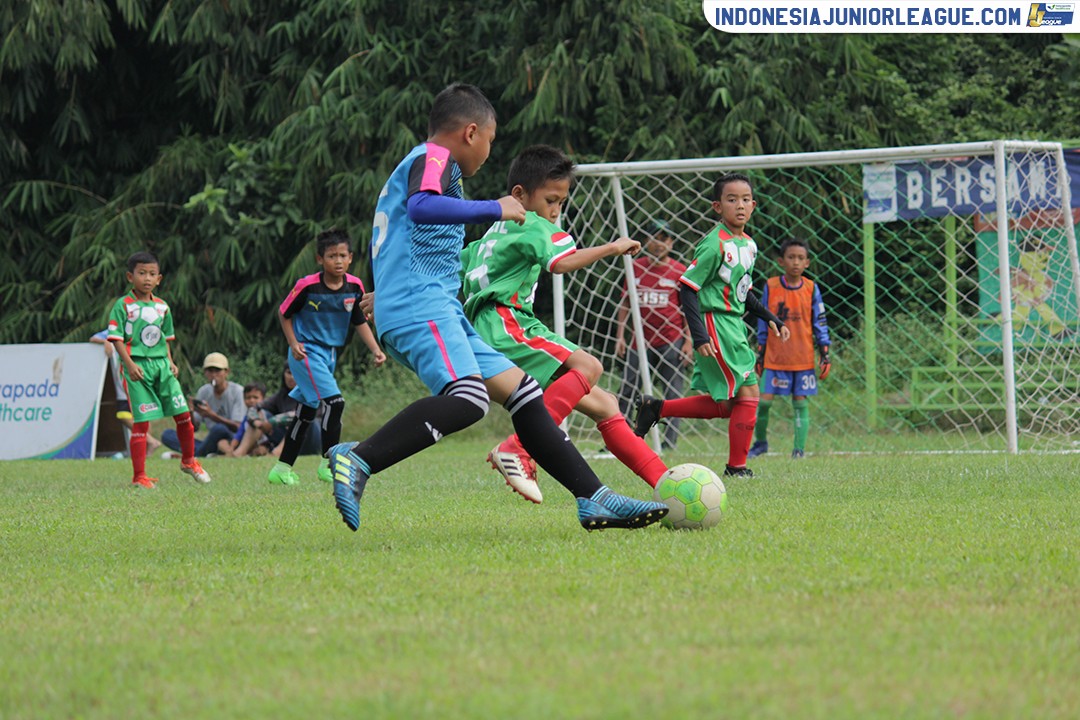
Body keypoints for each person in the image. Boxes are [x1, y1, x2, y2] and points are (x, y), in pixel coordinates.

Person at [327, 82, 667, 533]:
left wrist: (382, 292)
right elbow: (422, 206)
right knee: (467, 400)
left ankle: (594, 498)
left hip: (433, 304)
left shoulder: (425, 165)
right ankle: (359, 457)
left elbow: (416, 237)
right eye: (490, 139)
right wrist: (495, 207)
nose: (489, 150)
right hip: (420, 304)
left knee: (525, 394)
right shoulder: (434, 157)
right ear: (471, 132)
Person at [460, 144, 669, 504]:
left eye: (561, 202)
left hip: (481, 329)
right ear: (520, 195)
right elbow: (562, 264)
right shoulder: (533, 224)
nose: (555, 211)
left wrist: (380, 296)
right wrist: (611, 248)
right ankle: (520, 447)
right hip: (506, 321)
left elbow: (450, 271)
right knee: (589, 365)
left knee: (605, 404)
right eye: (550, 200)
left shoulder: (491, 234)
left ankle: (666, 483)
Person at [633, 172, 789, 477]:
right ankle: (737, 468)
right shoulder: (714, 244)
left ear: (754, 205)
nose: (739, 206)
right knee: (749, 394)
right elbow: (687, 288)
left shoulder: (748, 244)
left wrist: (770, 318)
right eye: (732, 200)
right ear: (717, 207)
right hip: (715, 323)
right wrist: (700, 335)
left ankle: (658, 408)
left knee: (730, 406)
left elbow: (744, 292)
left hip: (733, 324)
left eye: (745, 200)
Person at [267, 228, 387, 486]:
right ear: (320, 259)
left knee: (306, 412)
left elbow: (358, 320)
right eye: (332, 256)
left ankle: (281, 468)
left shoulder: (355, 286)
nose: (338, 261)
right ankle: (329, 463)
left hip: (328, 355)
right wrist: (293, 342)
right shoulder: (307, 286)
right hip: (305, 352)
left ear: (351, 257)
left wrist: (376, 349)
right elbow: (284, 312)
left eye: (343, 255)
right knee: (335, 403)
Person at [106, 251, 212, 487]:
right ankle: (139, 477)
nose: (147, 278)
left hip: (162, 367)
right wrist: (129, 364)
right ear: (129, 276)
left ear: (159, 279)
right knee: (142, 422)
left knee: (183, 414)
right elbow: (116, 339)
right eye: (141, 273)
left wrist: (171, 362)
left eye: (152, 274)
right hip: (138, 368)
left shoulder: (163, 307)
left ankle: (189, 461)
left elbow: (164, 338)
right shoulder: (123, 306)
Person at [748, 237, 832, 460]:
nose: (796, 262)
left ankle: (798, 450)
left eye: (800, 258)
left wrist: (825, 352)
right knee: (764, 402)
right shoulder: (771, 286)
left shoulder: (811, 289)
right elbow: (763, 319)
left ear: (807, 263)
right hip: (775, 358)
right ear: (781, 261)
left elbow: (820, 322)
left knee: (799, 403)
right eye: (791, 257)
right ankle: (761, 444)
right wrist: (761, 351)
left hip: (802, 358)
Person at [613, 219, 694, 451]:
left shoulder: (679, 271)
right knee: (628, 388)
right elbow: (626, 303)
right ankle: (620, 439)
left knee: (673, 393)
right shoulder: (635, 266)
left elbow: (687, 308)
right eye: (655, 238)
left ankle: (670, 443)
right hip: (640, 340)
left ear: (671, 242)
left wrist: (688, 340)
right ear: (647, 241)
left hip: (672, 339)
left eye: (665, 238)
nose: (660, 243)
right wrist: (620, 335)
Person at [90, 329, 163, 455]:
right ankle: (148, 444)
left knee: (130, 415)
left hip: (135, 380)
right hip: (125, 381)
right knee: (132, 414)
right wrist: (105, 342)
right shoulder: (114, 332)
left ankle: (149, 443)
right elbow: (93, 338)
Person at [160, 352, 245, 457]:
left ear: (226, 372)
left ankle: (196, 454)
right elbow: (195, 428)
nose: (214, 375)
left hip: (231, 439)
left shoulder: (237, 391)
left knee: (219, 428)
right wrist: (190, 412)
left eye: (217, 371)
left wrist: (211, 415)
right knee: (167, 435)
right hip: (211, 440)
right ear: (205, 373)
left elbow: (238, 427)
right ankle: (203, 452)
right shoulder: (204, 391)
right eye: (210, 371)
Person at [259, 364, 323, 457]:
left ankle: (276, 453)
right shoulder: (281, 395)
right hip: (290, 439)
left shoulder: (314, 393)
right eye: (289, 373)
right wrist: (257, 421)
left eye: (296, 373)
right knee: (262, 413)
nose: (292, 377)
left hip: (313, 439)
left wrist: (273, 421)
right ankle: (240, 452)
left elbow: (303, 414)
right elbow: (256, 407)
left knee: (303, 418)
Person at [217, 382, 274, 457]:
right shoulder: (247, 416)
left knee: (260, 450)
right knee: (221, 442)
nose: (251, 400)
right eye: (248, 398)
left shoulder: (265, 414)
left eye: (255, 397)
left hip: (261, 443)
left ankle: (238, 453)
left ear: (263, 399)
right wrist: (233, 445)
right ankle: (230, 452)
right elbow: (240, 433)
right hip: (244, 442)